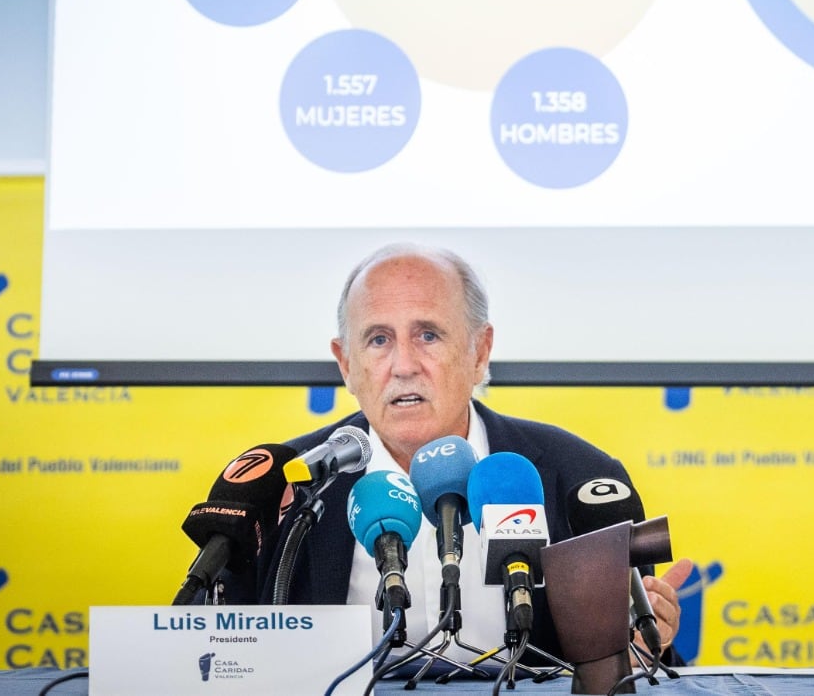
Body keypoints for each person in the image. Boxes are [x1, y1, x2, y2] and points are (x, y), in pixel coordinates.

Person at [228, 243, 692, 663]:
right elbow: (208, 644)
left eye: (428, 335)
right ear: (346, 364)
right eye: (378, 339)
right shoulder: (284, 483)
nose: (404, 365)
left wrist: (644, 648)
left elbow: (643, 667)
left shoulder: (578, 478)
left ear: (479, 352)